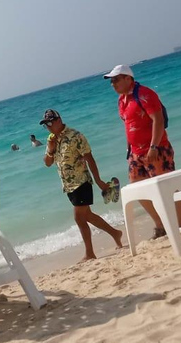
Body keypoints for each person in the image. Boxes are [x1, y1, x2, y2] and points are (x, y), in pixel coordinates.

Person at [104, 64, 181, 239]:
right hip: (135, 153)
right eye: (111, 81)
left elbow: (158, 120)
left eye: (116, 80)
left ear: (128, 78)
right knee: (137, 189)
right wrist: (129, 151)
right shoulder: (121, 100)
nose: (113, 84)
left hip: (157, 149)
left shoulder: (145, 94)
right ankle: (160, 224)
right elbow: (129, 125)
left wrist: (154, 146)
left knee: (168, 187)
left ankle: (180, 226)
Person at [40, 109, 123, 261]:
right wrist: (51, 149)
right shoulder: (51, 139)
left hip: (82, 182)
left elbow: (90, 158)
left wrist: (98, 181)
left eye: (50, 123)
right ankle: (115, 233)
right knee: (87, 216)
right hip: (68, 186)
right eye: (46, 125)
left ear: (59, 120)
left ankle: (90, 253)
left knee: (78, 218)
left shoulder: (75, 136)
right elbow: (47, 163)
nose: (49, 127)